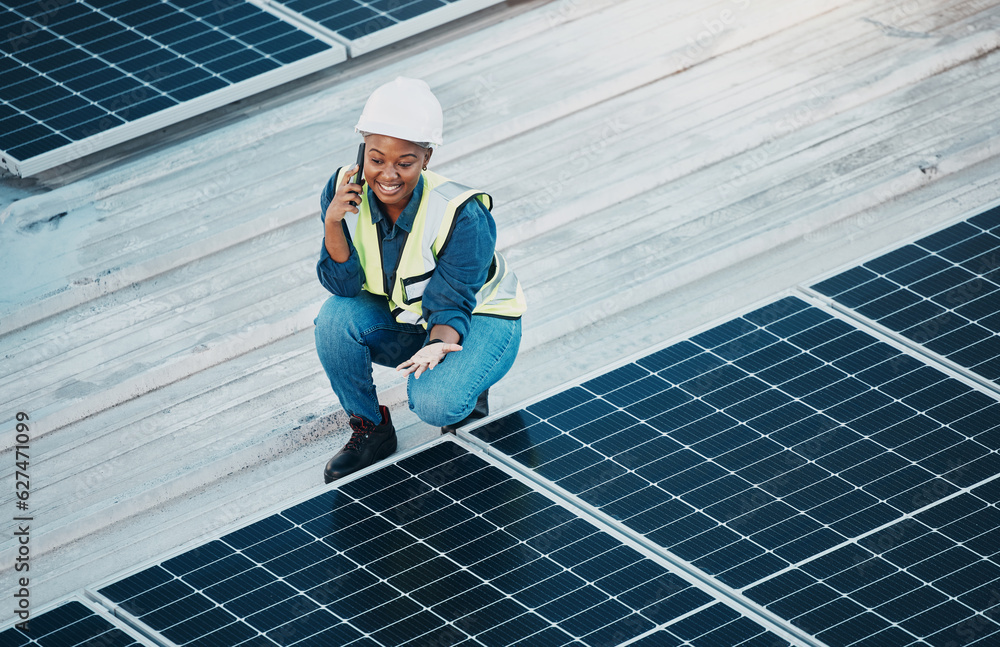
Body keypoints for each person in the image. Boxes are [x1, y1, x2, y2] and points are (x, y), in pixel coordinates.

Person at [314, 77, 527, 483]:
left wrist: (439, 344)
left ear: (426, 158)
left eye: (405, 163)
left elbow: (453, 299)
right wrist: (332, 222)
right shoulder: (343, 189)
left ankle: (468, 389)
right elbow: (343, 287)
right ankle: (372, 429)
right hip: (410, 316)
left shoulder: (462, 213)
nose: (388, 174)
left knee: (435, 403)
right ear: (362, 151)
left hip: (479, 320)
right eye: (376, 159)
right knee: (334, 320)